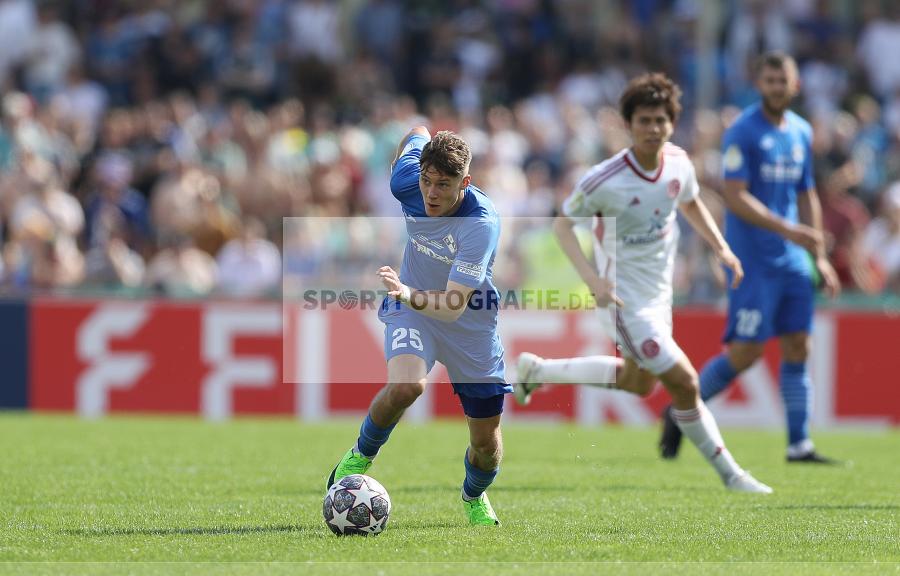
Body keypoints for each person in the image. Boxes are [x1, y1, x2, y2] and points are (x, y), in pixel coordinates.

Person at [514, 73, 772, 494]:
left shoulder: (678, 164)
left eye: (660, 121)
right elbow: (563, 228)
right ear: (628, 125)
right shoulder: (604, 179)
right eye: (644, 121)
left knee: (639, 382)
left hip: (658, 296)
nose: (653, 129)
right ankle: (733, 476)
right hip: (622, 300)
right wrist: (593, 281)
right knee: (686, 383)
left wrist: (721, 247)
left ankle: (538, 370)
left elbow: (688, 203)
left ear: (672, 123)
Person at [658, 52, 841, 464]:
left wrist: (820, 256)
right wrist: (789, 230)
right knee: (746, 352)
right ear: (760, 85)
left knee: (799, 344)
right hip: (754, 260)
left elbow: (806, 192)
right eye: (770, 80)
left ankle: (799, 444)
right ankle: (680, 409)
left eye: (783, 80)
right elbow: (736, 197)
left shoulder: (801, 132)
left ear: (795, 86)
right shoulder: (743, 131)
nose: (777, 86)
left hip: (793, 259)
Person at [325, 127, 512, 526]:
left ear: (465, 183)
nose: (430, 194)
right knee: (408, 385)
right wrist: (425, 135)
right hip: (412, 310)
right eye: (426, 181)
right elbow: (416, 133)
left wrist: (405, 291)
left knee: (485, 445)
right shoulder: (406, 181)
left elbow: (452, 305)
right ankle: (358, 456)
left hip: (468, 322)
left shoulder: (481, 224)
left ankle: (473, 495)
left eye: (443, 185)